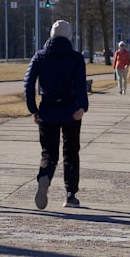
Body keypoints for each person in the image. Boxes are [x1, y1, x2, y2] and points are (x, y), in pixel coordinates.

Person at [24, 20, 89, 210]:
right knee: (71, 152)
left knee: (48, 153)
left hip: (47, 110)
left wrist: (33, 109)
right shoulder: (76, 58)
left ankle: (45, 176)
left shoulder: (40, 56)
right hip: (71, 111)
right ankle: (70, 195)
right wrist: (82, 107)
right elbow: (80, 85)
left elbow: (28, 83)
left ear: (51, 35)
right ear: (69, 36)